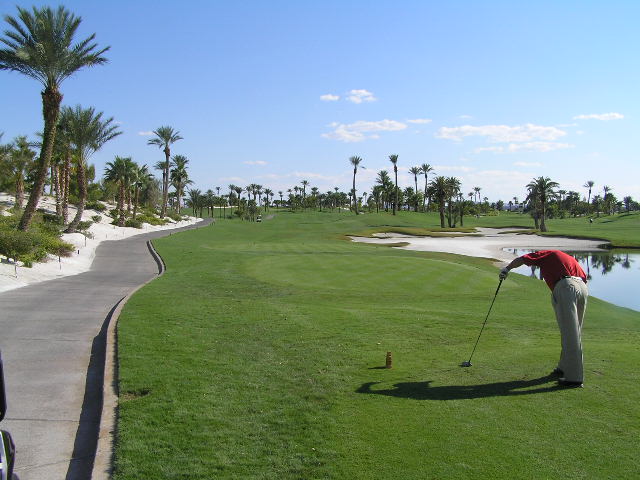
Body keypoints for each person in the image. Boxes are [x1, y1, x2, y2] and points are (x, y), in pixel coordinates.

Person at [499, 250, 588, 388]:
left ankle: (574, 378)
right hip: (582, 288)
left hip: (567, 286)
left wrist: (506, 269)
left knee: (570, 333)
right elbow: (584, 277)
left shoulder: (547, 254)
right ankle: (563, 366)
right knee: (572, 331)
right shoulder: (567, 258)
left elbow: (522, 259)